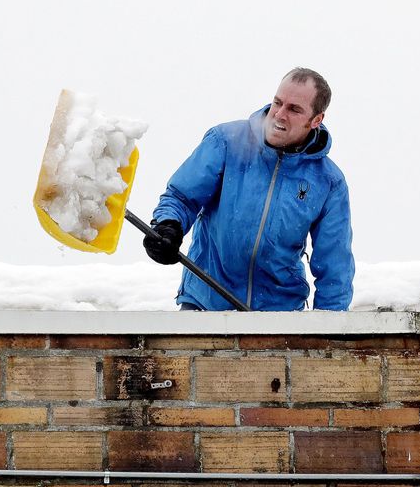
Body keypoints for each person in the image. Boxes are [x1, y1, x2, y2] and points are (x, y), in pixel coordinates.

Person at [143, 68, 354, 311]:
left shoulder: (328, 182)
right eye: (278, 103)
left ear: (316, 120)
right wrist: (168, 226)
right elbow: (181, 198)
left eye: (294, 109)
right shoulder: (226, 142)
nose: (280, 114)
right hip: (205, 304)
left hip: (279, 316)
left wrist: (329, 332)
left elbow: (335, 265)